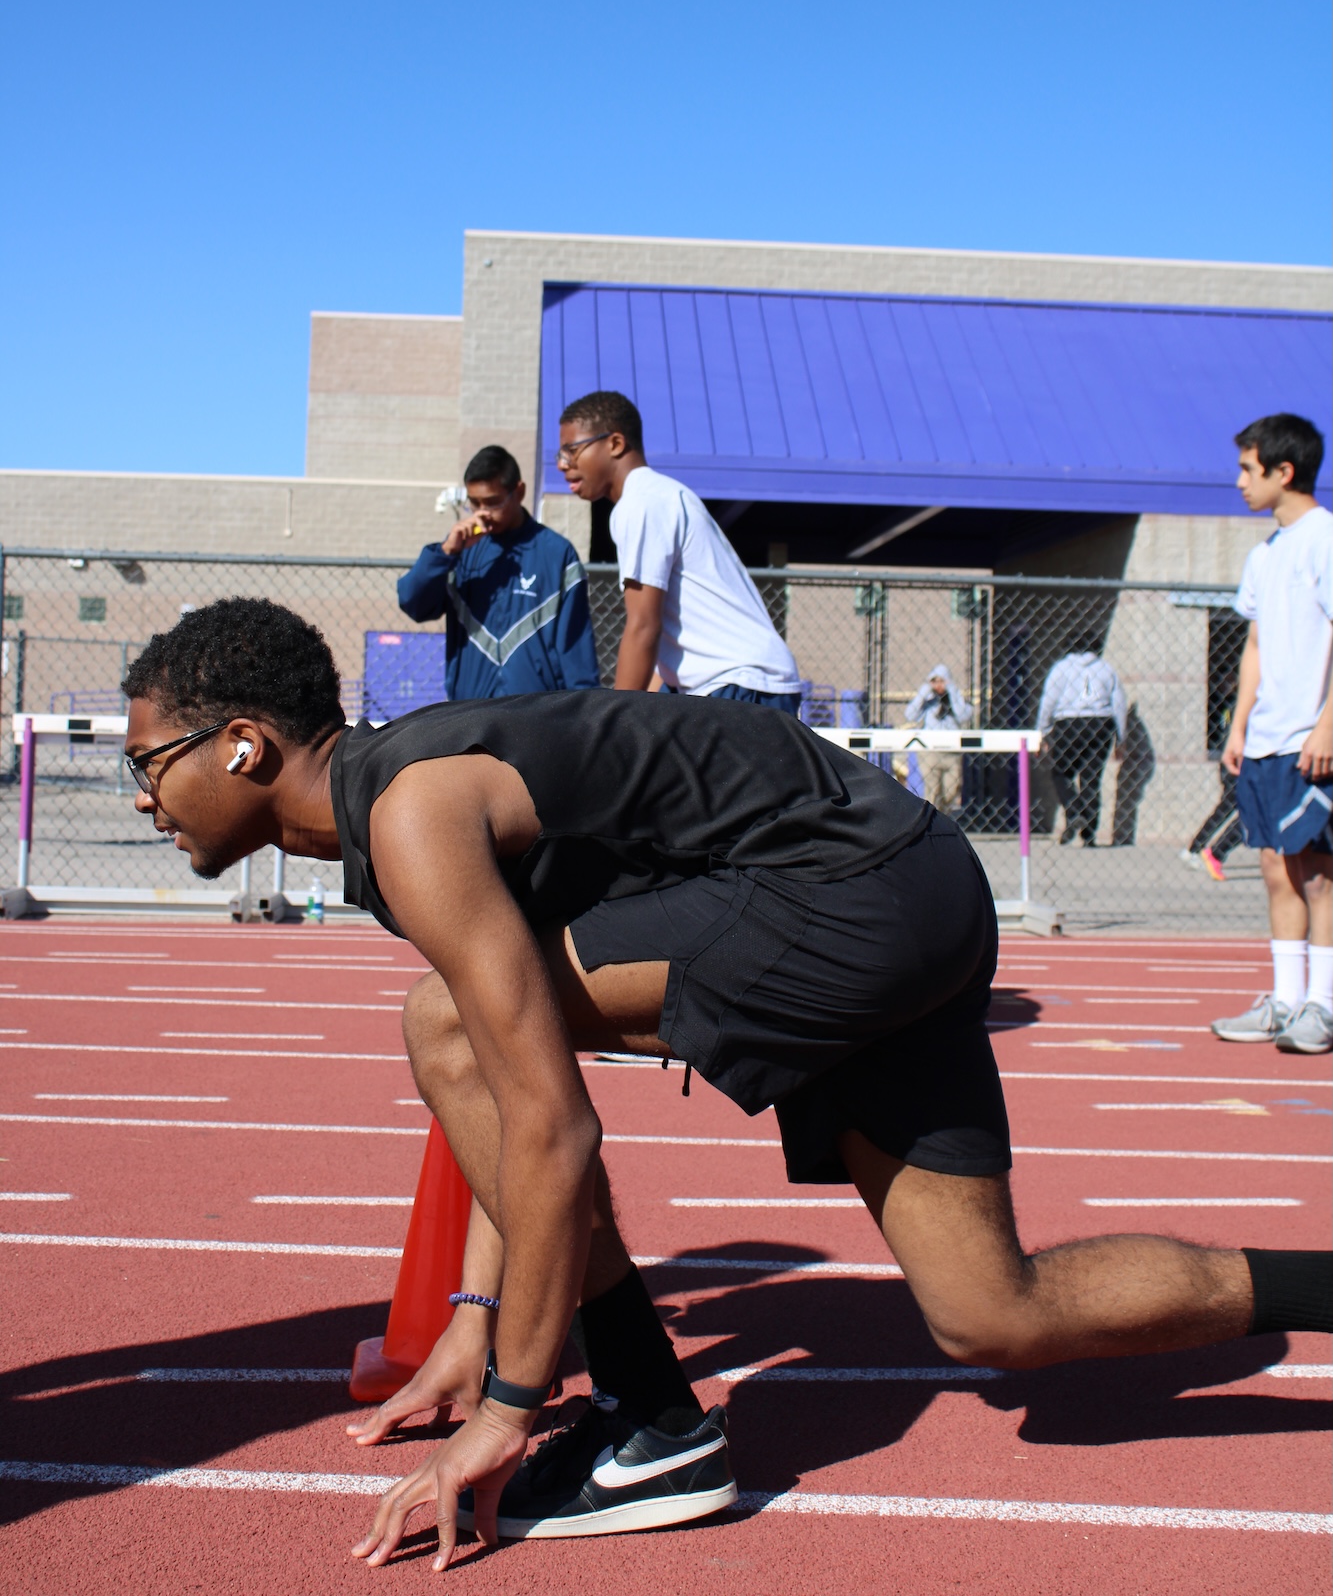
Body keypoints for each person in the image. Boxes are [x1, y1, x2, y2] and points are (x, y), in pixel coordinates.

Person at [121, 598, 1331, 1568]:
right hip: (912, 881)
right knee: (993, 1313)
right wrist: (474, 1317)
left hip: (845, 895)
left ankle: (651, 1418)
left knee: (441, 1022)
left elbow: (544, 1124)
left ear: (244, 745)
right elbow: (504, 1085)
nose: (140, 794)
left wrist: (506, 1406)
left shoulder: (410, 811)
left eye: (148, 761)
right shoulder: (401, 800)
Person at [555, 389, 801, 710]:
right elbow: (662, 650)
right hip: (736, 683)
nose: (562, 464)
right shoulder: (656, 496)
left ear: (615, 443)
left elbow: (643, 626)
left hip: (740, 683)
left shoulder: (643, 502)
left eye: (572, 450)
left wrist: (613, 718)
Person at [1211, 414, 1333, 1054]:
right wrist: (1238, 726)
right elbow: (1255, 643)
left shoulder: (1325, 539)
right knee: (1275, 870)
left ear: (1284, 471)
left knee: (1319, 874)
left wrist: (1327, 725)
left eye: (1247, 468)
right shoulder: (1265, 553)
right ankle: (1286, 1001)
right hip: (1265, 742)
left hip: (1311, 740)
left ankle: (1324, 1005)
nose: (1239, 482)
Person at [396, 445, 599, 698]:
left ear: (519, 492)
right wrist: (445, 552)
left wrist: (586, 711)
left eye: (493, 502)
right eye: (474, 503)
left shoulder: (557, 554)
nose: (482, 513)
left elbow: (576, 649)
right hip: (471, 712)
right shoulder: (460, 551)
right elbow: (413, 603)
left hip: (536, 713)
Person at [1036, 646, 1127, 845]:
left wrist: (1042, 730)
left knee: (1061, 772)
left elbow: (1048, 700)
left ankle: (1074, 809)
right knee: (1091, 778)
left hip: (1068, 722)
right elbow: (1119, 703)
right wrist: (1121, 737)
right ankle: (1089, 834)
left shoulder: (1061, 668)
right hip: (1100, 723)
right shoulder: (1105, 668)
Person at [903, 663, 972, 811]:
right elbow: (910, 715)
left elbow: (963, 716)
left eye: (942, 681)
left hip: (951, 752)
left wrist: (952, 691)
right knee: (932, 790)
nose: (939, 685)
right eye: (935, 681)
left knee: (951, 789)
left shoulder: (956, 700)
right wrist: (924, 692)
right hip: (930, 752)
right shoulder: (928, 702)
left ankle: (944, 814)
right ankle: (932, 817)